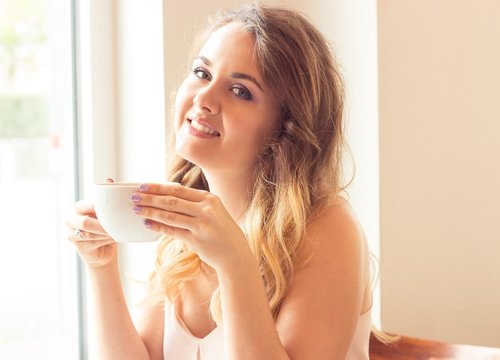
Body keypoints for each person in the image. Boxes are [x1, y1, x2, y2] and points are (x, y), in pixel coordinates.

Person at [67, 3, 373, 359]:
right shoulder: (184, 232)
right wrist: (101, 267)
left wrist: (235, 264)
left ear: (285, 129)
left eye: (241, 91)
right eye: (201, 72)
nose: (204, 99)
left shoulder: (327, 228)